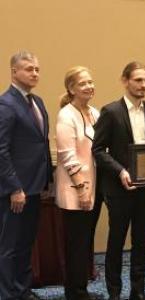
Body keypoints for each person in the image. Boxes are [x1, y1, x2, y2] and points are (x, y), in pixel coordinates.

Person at [92, 62, 145, 300]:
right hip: (119, 188)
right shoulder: (111, 111)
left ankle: (138, 289)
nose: (143, 85)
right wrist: (120, 171)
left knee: (141, 241)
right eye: (138, 80)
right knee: (116, 242)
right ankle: (114, 291)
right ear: (125, 81)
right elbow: (99, 150)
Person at [0, 50, 53, 300]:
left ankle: (22, 289)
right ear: (14, 72)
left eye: (37, 69)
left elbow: (42, 144)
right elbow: (1, 150)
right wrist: (14, 188)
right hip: (15, 191)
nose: (35, 73)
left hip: (34, 186)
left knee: (25, 244)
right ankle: (8, 293)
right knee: (9, 246)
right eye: (29, 69)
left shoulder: (37, 102)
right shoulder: (6, 104)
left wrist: (47, 180)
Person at [55, 66, 100, 300]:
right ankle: (75, 292)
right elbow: (67, 156)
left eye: (91, 82)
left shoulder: (95, 112)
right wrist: (82, 188)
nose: (89, 86)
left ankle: (81, 288)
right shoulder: (66, 115)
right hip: (76, 189)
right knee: (77, 244)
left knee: (85, 242)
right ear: (71, 88)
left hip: (94, 187)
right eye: (83, 83)